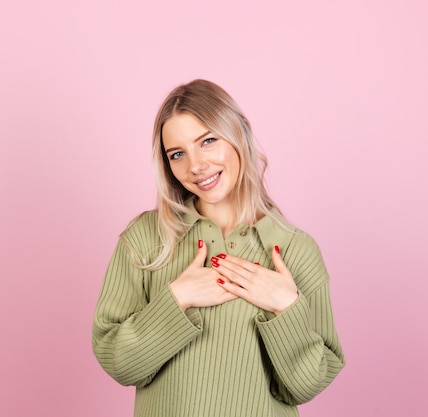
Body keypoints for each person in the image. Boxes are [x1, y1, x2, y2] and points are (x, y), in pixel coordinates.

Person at [92, 79, 345, 417]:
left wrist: (286, 308)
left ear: (239, 134)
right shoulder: (146, 240)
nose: (195, 166)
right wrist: (176, 299)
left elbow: (307, 384)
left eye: (208, 141)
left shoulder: (295, 248)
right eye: (177, 154)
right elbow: (119, 364)